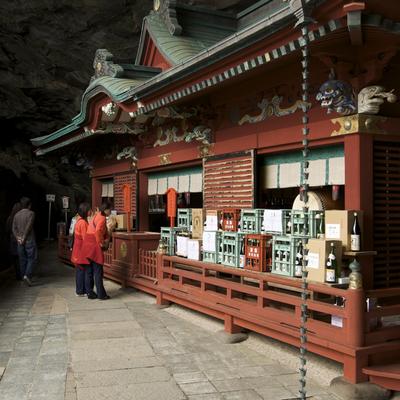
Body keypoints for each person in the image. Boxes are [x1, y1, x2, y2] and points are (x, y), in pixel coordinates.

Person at [81, 201, 111, 300]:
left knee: (88, 270)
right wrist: (101, 243)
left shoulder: (97, 215)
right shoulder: (102, 218)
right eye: (110, 209)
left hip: (87, 243)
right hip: (94, 244)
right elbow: (98, 231)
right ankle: (101, 295)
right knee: (98, 270)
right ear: (106, 210)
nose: (110, 211)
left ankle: (90, 293)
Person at [12, 197, 37, 286]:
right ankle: (27, 275)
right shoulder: (31, 213)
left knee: (22, 259)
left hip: (19, 241)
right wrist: (24, 237)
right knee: (32, 258)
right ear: (29, 205)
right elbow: (29, 226)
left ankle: (23, 277)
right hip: (29, 240)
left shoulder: (16, 215)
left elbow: (13, 228)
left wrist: (18, 237)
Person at [70, 203, 93, 296]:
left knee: (80, 271)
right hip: (82, 251)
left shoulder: (79, 221)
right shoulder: (83, 223)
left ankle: (80, 291)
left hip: (78, 250)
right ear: (85, 211)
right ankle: (85, 291)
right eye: (89, 210)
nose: (91, 211)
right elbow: (85, 238)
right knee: (86, 271)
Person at [6, 202, 22, 280]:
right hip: (19, 238)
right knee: (21, 257)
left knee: (15, 258)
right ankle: (22, 274)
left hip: (12, 239)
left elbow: (7, 230)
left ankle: (18, 275)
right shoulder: (19, 217)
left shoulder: (9, 218)